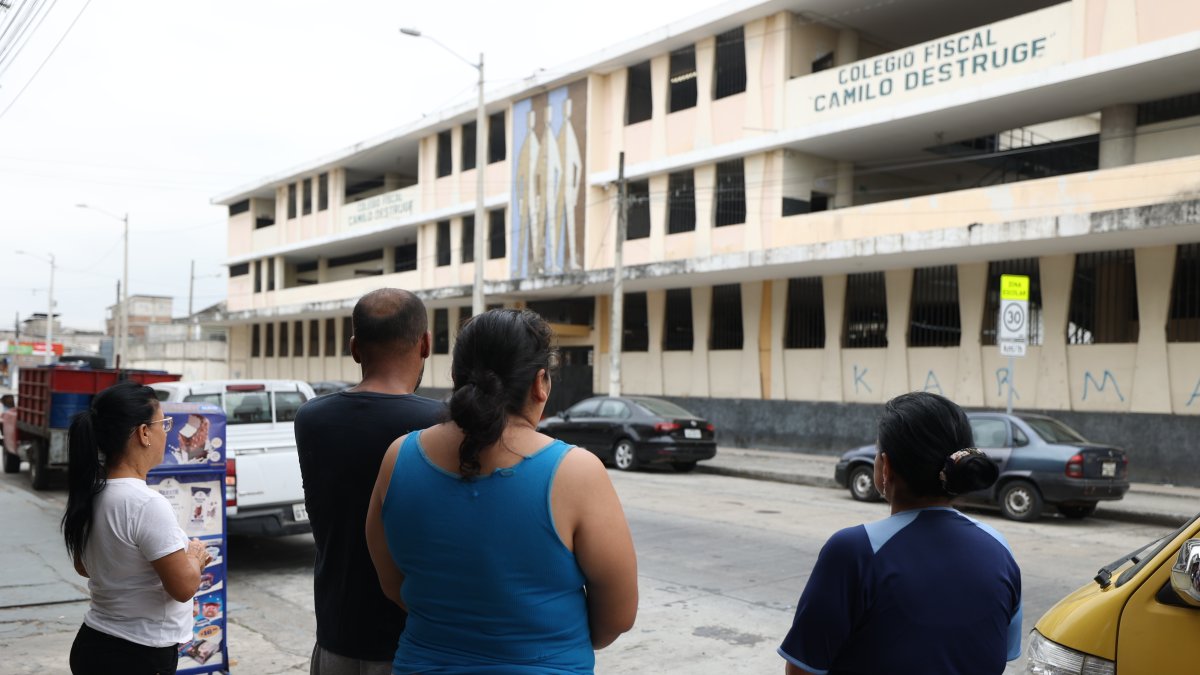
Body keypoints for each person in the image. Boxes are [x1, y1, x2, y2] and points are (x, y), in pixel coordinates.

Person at [366, 308, 639, 674]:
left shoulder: (398, 457)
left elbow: (391, 584)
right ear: (540, 383)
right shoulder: (577, 472)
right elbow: (618, 616)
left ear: (455, 378)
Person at [778, 392, 1021, 675]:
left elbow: (802, 669)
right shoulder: (999, 547)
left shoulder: (854, 551)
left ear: (886, 467)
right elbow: (1002, 651)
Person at [295, 289, 445, 675]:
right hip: (413, 641)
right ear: (425, 344)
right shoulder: (442, 424)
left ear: (354, 349)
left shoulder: (311, 419)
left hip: (336, 633)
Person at [62, 381, 213, 675]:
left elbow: (84, 567)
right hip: (138, 654)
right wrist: (195, 555)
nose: (167, 432)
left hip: (93, 643)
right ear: (144, 433)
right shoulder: (146, 503)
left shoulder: (93, 492)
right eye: (163, 424)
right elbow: (183, 588)